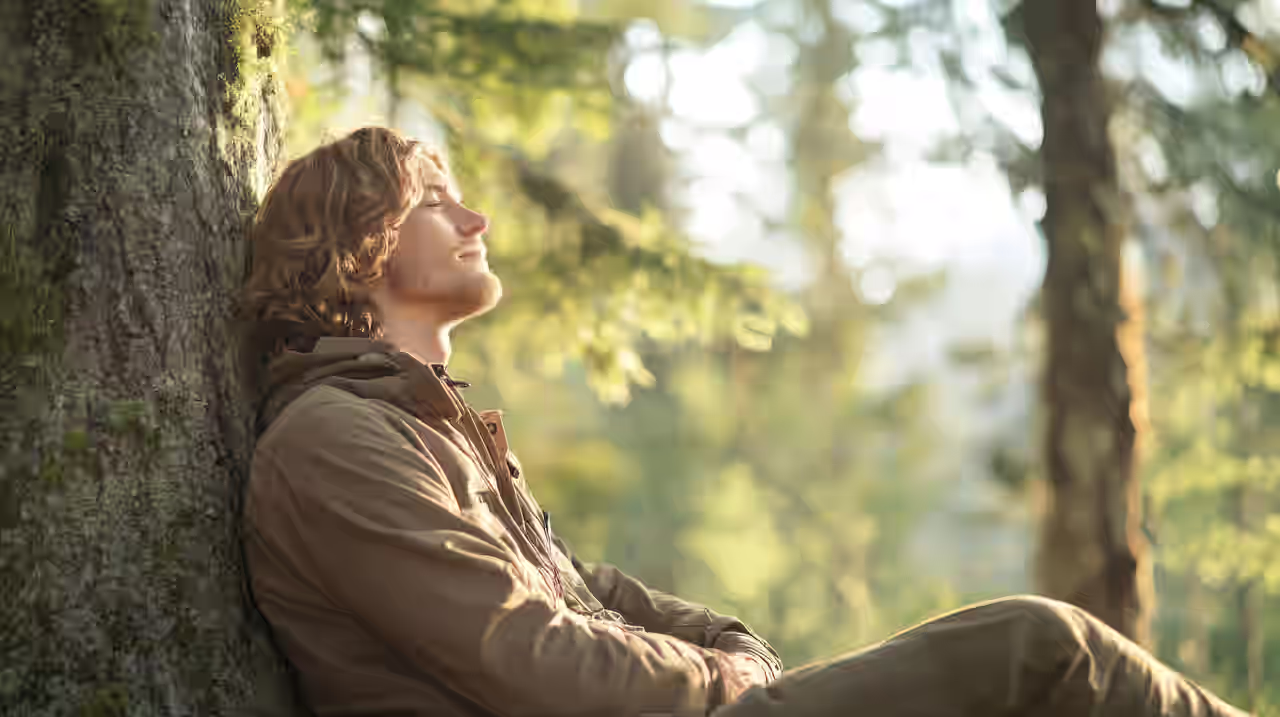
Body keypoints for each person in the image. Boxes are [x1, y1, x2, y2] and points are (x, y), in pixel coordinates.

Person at [238, 126, 1246, 717]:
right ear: (359, 245)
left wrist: (727, 638)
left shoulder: (425, 424)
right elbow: (523, 654)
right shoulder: (333, 443)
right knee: (1042, 647)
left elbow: (585, 588)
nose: (475, 220)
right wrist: (719, 679)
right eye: (434, 201)